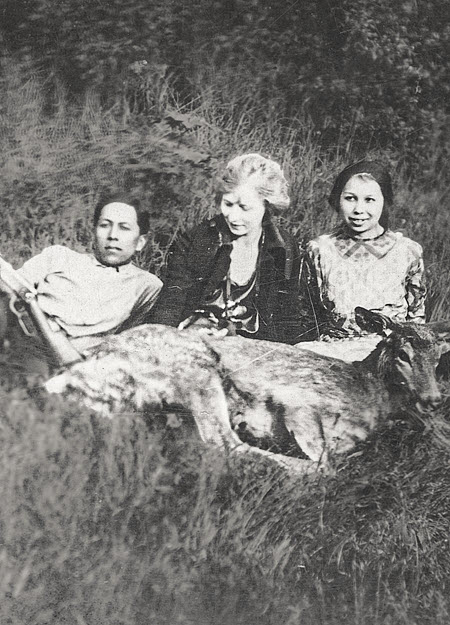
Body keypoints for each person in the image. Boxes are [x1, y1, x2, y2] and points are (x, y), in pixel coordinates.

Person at [148, 153, 310, 344]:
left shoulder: (284, 248)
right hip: (195, 340)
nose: (233, 217)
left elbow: (286, 317)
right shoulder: (196, 240)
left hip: (255, 349)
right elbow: (171, 302)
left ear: (267, 206)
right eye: (228, 204)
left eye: (244, 208)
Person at [1, 194, 162, 361]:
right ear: (94, 231)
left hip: (68, 359)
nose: (113, 235)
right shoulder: (58, 256)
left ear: (141, 242)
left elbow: (128, 338)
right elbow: (11, 287)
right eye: (105, 225)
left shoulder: (147, 286)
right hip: (20, 333)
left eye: (124, 228)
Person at [304, 160, 426, 337]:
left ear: (384, 201)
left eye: (369, 200)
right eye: (350, 198)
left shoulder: (407, 251)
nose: (359, 209)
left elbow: (417, 321)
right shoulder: (319, 250)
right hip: (332, 355)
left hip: (389, 353)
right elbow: (307, 317)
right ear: (338, 199)